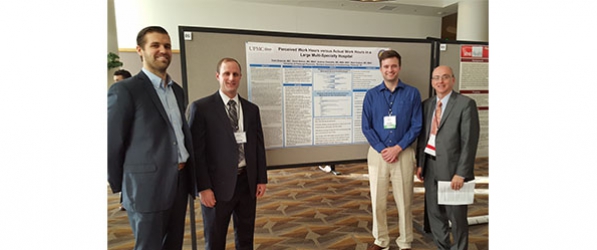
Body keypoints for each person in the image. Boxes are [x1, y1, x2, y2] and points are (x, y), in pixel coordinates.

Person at [107, 26, 197, 250]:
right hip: (145, 187)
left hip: (179, 181)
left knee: (173, 244)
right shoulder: (125, 90)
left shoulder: (177, 90)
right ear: (140, 50)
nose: (163, 50)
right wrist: (123, 186)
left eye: (166, 46)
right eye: (155, 45)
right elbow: (111, 142)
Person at [188, 57, 268, 250]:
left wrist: (261, 179)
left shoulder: (251, 110)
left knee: (246, 237)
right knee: (215, 240)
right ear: (218, 76)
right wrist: (203, 187)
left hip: (246, 184)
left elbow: (258, 146)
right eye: (226, 73)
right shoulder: (201, 108)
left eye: (235, 74)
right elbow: (196, 152)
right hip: (216, 187)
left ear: (240, 77)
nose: (231, 78)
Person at [361, 49, 422, 250]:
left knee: (404, 200)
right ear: (380, 69)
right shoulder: (371, 95)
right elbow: (366, 127)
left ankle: (405, 241)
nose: (390, 70)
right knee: (378, 200)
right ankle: (381, 240)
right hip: (378, 154)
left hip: (403, 153)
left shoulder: (412, 93)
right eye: (386, 66)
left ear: (399, 67)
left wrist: (397, 148)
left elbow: (416, 125)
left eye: (394, 66)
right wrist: (382, 148)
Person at [416, 65, 480, 250]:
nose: (440, 81)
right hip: (430, 166)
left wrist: (461, 173)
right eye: (436, 78)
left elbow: (469, 142)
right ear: (432, 82)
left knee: (457, 216)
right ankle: (442, 247)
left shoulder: (465, 104)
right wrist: (421, 164)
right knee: (435, 213)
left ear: (453, 79)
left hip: (453, 170)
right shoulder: (427, 105)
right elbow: (424, 137)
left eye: (445, 77)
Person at [111, 68, 132, 212]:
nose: (115, 85)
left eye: (119, 81)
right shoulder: (114, 97)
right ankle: (123, 197)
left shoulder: (135, 94)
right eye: (115, 82)